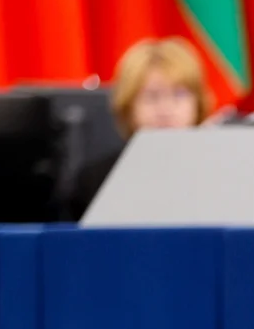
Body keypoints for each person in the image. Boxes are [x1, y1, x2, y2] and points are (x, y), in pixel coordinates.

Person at [67, 36, 214, 219]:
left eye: (179, 94)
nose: (166, 109)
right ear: (128, 107)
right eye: (152, 97)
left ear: (198, 103)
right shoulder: (96, 180)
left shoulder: (220, 174)